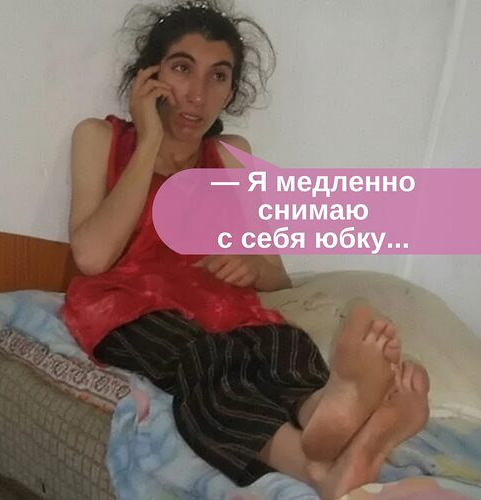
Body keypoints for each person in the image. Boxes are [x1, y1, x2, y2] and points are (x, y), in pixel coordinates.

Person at [61, 1, 430, 498]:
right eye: (182, 68)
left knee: (282, 342)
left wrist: (251, 264)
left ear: (231, 91)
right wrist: (148, 141)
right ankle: (315, 466)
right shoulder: (100, 137)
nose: (198, 94)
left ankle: (326, 414)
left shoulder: (232, 156)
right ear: (151, 76)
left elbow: (276, 278)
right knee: (208, 359)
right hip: (129, 307)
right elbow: (91, 258)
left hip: (220, 306)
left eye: (218, 76)